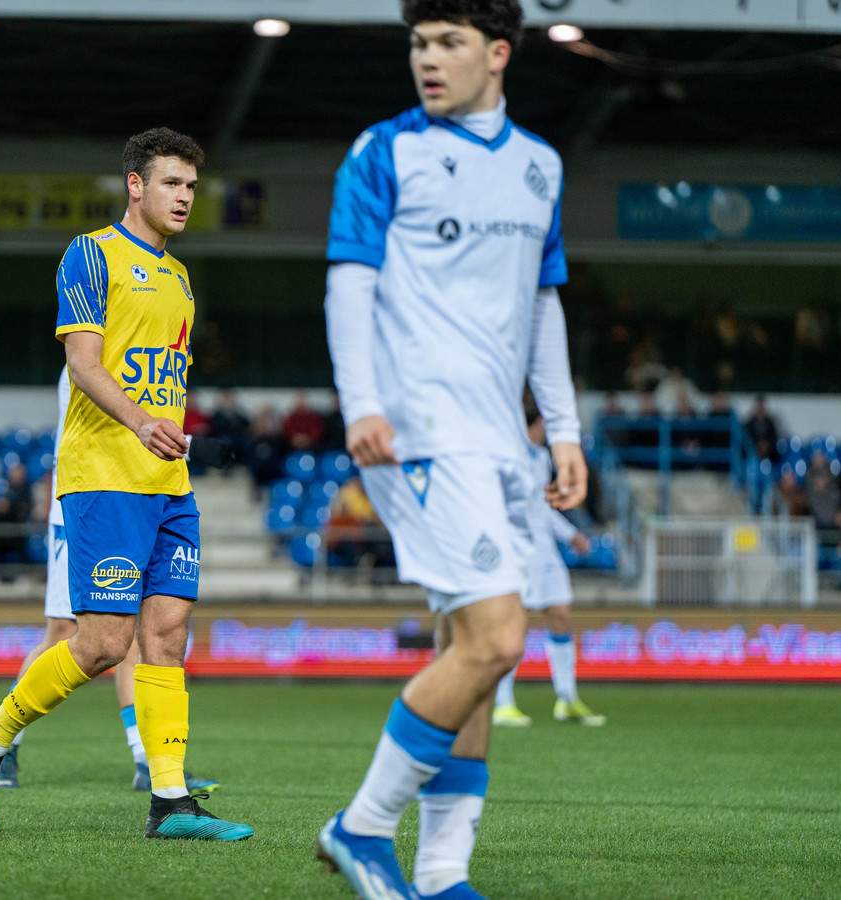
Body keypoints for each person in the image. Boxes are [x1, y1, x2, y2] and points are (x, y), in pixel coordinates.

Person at [317, 2, 587, 897]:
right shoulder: (383, 150)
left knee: (464, 645)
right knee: (498, 637)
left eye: (448, 44)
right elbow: (348, 286)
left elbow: (543, 307)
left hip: (500, 441)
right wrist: (362, 404)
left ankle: (439, 873)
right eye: (417, 45)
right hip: (421, 433)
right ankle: (360, 829)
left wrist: (566, 432)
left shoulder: (540, 167)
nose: (427, 61)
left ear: (498, 54)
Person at [0, 127, 251, 841]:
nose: (184, 197)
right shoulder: (91, 253)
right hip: (104, 479)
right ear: (136, 185)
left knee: (168, 636)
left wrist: (167, 433)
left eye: (190, 185)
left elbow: (163, 374)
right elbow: (84, 364)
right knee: (102, 644)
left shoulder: (177, 277)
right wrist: (144, 421)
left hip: (167, 484)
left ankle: (171, 801)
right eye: (171, 183)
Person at [0, 368, 220, 796]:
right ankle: (2, 745)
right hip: (87, 505)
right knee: (65, 631)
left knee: (136, 635)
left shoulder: (126, 347)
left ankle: (146, 761)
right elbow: (110, 427)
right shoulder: (90, 355)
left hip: (132, 499)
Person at [493, 413, 605, 727]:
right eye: (545, 424)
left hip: (546, 552)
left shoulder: (542, 457)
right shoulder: (507, 455)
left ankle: (567, 699)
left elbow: (542, 507)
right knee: (516, 623)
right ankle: (502, 702)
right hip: (518, 552)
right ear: (536, 421)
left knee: (561, 616)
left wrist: (570, 535)